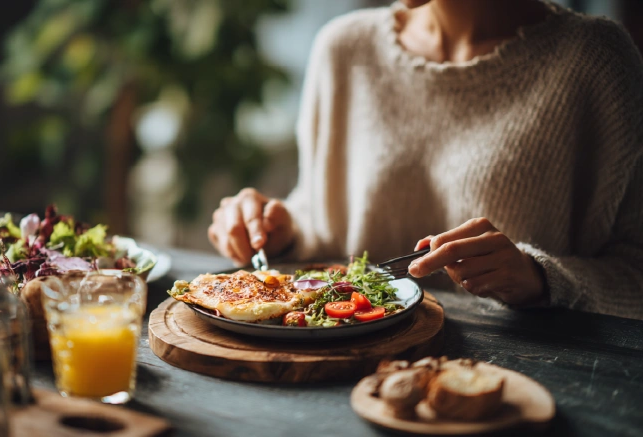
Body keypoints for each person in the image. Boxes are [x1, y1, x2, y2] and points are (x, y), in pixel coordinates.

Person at [207, 0, 643, 320]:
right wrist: (281, 233)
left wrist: (541, 280)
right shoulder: (343, 49)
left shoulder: (595, 60)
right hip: (341, 371)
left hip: (522, 385)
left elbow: (633, 273)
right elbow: (324, 217)